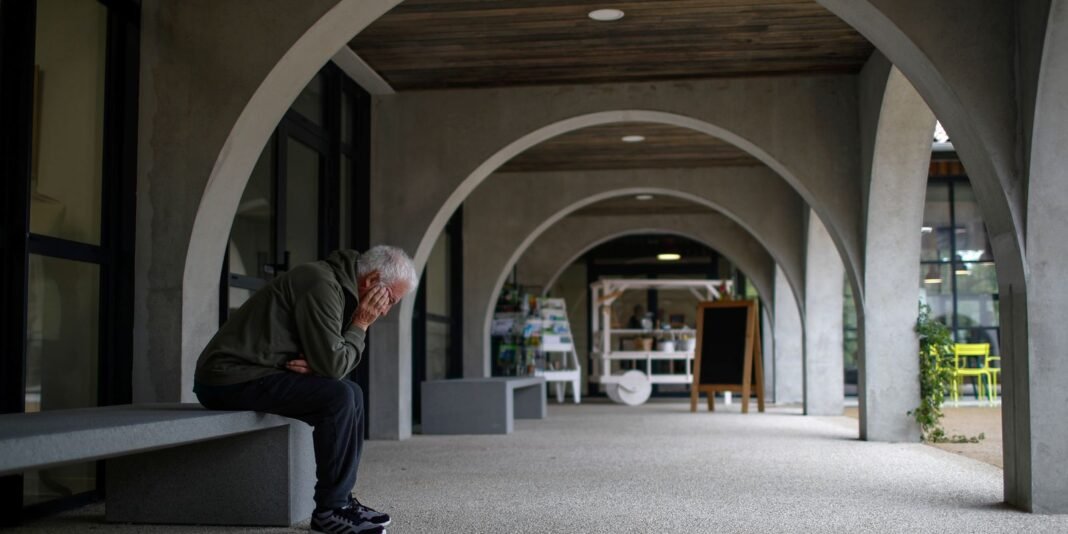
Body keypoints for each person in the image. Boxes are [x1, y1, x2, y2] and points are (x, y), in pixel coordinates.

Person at [194, 246, 418, 534]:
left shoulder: (339, 288)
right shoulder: (321, 283)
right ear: (371, 280)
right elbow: (336, 365)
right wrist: (359, 325)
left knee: (352, 394)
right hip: (227, 378)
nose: (385, 311)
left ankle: (342, 501)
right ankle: (330, 510)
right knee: (338, 397)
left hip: (261, 372)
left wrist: (322, 364)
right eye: (391, 299)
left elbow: (334, 365)